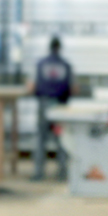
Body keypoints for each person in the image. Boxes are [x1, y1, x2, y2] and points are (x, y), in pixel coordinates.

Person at [30, 36, 74, 181]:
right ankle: (62, 172)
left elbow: (33, 86)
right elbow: (72, 87)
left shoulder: (41, 64)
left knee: (41, 138)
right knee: (61, 139)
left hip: (44, 105)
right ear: (59, 48)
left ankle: (38, 173)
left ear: (49, 47)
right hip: (60, 106)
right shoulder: (66, 65)